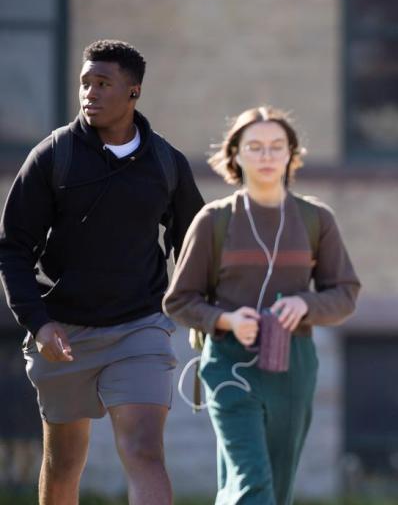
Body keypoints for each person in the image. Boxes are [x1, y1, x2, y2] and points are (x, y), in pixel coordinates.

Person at [0, 39, 204, 505]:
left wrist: (196, 307)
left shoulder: (165, 163)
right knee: (64, 463)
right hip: (63, 335)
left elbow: (192, 243)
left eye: (103, 84)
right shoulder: (54, 156)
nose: (89, 93)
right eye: (85, 83)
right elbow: (13, 249)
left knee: (144, 450)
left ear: (133, 92)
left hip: (140, 328)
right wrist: (39, 321)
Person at [163, 106, 359, 504]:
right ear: (235, 155)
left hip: (293, 365)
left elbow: (344, 294)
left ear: (291, 154)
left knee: (274, 491)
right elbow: (179, 301)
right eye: (255, 147)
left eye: (276, 147)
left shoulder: (315, 218)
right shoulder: (213, 220)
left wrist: (306, 305)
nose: (266, 156)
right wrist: (226, 319)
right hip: (228, 366)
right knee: (254, 484)